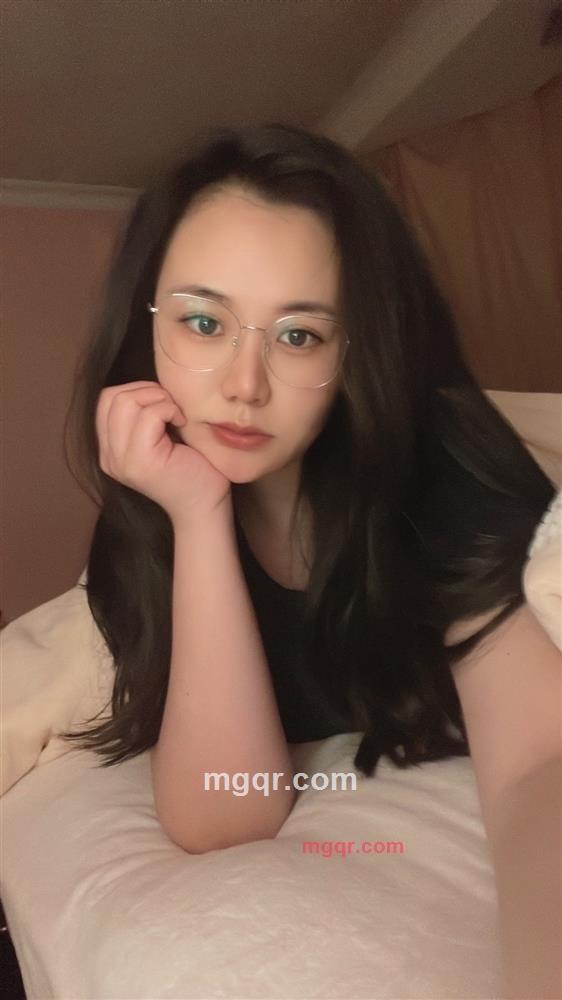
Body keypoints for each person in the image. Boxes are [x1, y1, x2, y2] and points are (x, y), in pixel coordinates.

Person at [61, 122, 555, 859]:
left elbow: (540, 772)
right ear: (145, 325)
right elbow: (226, 817)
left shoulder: (445, 469)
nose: (245, 386)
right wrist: (198, 516)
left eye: (299, 336)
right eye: (204, 322)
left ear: (356, 350)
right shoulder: (138, 534)